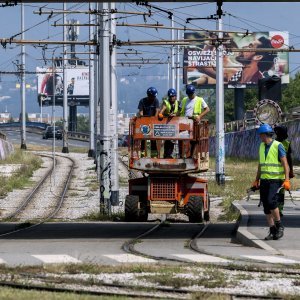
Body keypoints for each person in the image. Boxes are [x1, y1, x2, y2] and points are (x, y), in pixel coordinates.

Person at [252, 124, 290, 240]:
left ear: (265, 135)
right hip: (264, 180)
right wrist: (256, 180)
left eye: (261, 135)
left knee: (271, 201)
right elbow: (261, 165)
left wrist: (287, 180)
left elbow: (285, 164)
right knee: (266, 206)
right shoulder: (261, 146)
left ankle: (279, 226)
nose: (260, 137)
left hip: (275, 180)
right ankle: (272, 230)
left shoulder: (278, 146)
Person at [180, 85, 210, 158]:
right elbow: (179, 110)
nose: (190, 96)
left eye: (191, 94)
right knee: (183, 139)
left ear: (194, 93)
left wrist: (199, 116)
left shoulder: (200, 99)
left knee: (194, 139)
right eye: (188, 94)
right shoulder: (184, 100)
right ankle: (183, 155)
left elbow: (207, 109)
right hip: (185, 122)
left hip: (194, 122)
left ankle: (192, 155)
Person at [274, 124, 294, 217]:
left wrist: (291, 171)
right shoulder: (272, 143)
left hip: (283, 172)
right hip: (273, 172)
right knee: (274, 191)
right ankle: (274, 209)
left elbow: (289, 159)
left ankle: (280, 209)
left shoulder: (287, 143)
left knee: (281, 192)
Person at [158, 88, 180, 158]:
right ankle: (167, 155)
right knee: (168, 140)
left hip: (174, 125)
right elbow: (161, 112)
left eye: (173, 96)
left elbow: (180, 112)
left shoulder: (178, 103)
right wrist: (162, 115)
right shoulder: (165, 103)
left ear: (175, 96)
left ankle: (169, 154)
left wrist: (175, 115)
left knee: (172, 140)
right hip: (166, 125)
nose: (172, 98)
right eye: (170, 96)